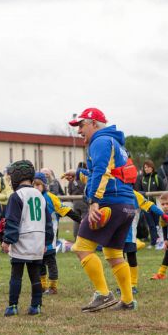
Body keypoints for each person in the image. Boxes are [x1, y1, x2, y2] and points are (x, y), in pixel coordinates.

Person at [68, 107, 138, 312]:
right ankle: (127, 300)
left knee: (81, 248)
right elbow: (110, 173)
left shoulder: (99, 141)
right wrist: (79, 173)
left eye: (81, 125)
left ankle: (104, 294)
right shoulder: (114, 142)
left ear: (94, 124)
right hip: (126, 205)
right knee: (114, 254)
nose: (79, 131)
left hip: (110, 203)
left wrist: (94, 202)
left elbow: (101, 172)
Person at [2, 161, 53, 316]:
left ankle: (12, 306)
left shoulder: (16, 196)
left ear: (16, 178)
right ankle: (36, 306)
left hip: (21, 241)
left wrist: (7, 240)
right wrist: (46, 242)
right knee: (35, 275)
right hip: (38, 241)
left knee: (16, 275)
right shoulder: (40, 196)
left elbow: (12, 221)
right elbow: (48, 222)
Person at [32, 172, 81, 295]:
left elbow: (67, 210)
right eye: (34, 185)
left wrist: (82, 221)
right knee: (39, 261)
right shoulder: (31, 198)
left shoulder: (51, 197)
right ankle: (42, 286)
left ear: (44, 185)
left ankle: (53, 287)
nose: (36, 187)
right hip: (36, 237)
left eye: (38, 185)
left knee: (50, 261)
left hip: (49, 236)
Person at [135, 160, 166, 248]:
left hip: (156, 205)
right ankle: (153, 242)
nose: (147, 169)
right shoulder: (142, 179)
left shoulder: (157, 178)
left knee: (157, 224)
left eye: (148, 167)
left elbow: (163, 191)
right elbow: (139, 191)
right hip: (145, 205)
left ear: (152, 168)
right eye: (145, 167)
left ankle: (160, 241)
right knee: (151, 224)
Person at [63, 163, 89, 236]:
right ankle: (84, 236)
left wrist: (73, 200)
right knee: (85, 220)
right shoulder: (85, 178)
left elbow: (69, 191)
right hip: (84, 201)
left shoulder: (72, 179)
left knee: (76, 220)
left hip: (75, 202)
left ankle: (76, 236)